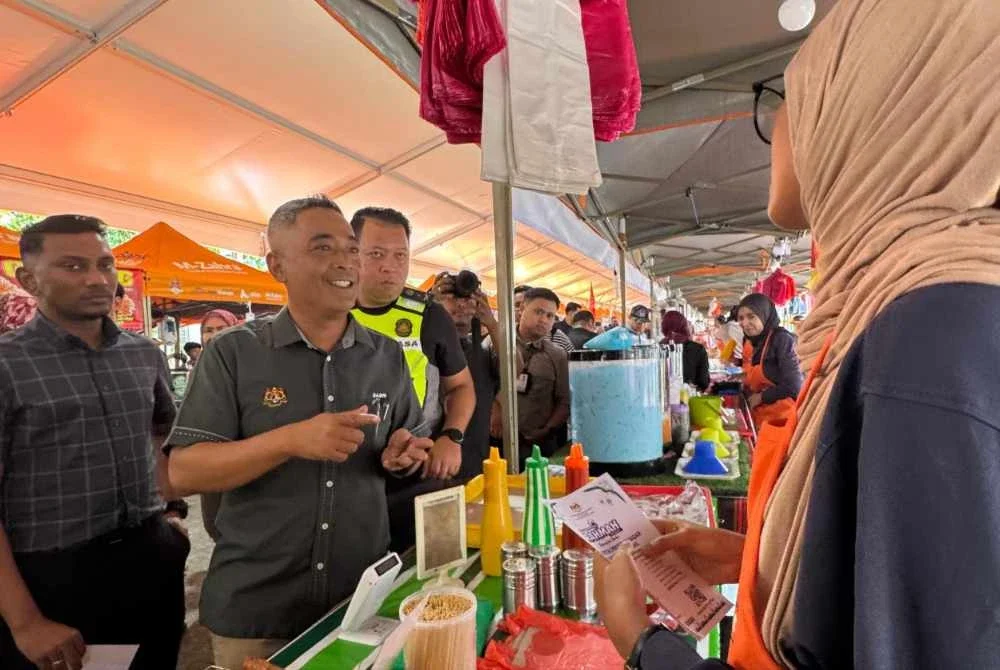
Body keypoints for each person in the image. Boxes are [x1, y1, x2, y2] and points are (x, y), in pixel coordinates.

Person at [595, 0, 1000, 667]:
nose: (782, 122)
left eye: (794, 91)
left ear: (883, 97)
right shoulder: (910, 310)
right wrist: (756, 561)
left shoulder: (931, 340)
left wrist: (643, 644)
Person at [164, 196, 434, 669]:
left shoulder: (386, 356)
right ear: (277, 265)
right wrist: (290, 440)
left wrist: (403, 456)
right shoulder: (233, 353)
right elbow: (184, 472)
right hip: (257, 611)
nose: (344, 262)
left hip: (358, 600)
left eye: (351, 249)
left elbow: (403, 447)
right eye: (322, 247)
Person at [0, 215, 188, 670]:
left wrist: (170, 515)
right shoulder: (7, 366)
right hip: (51, 576)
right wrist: (25, 622)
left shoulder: (143, 354)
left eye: (105, 264)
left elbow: (163, 432)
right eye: (73, 266)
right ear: (29, 279)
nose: (98, 279)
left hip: (149, 558)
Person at [350, 207, 475, 550]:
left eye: (400, 255)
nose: (390, 266)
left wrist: (452, 436)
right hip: (347, 475)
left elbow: (461, 386)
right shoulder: (330, 311)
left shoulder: (427, 314)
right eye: (376, 254)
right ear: (352, 252)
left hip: (418, 466)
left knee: (429, 566)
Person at [430, 272, 501, 481]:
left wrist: (492, 324)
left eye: (468, 300)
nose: (460, 306)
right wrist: (430, 309)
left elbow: (515, 368)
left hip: (474, 457)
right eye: (452, 298)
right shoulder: (422, 343)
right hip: (431, 455)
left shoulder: (483, 348)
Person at [195, 307, 240, 542]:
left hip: (244, 456)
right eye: (208, 330)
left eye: (221, 329)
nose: (213, 335)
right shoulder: (199, 367)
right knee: (214, 521)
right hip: (208, 456)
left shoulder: (246, 366)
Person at [515, 288, 570, 462]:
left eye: (550, 316)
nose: (544, 320)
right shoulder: (494, 345)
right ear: (522, 309)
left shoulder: (557, 355)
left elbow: (564, 400)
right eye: (539, 312)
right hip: (496, 441)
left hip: (540, 446)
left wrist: (546, 430)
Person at [737, 293, 801, 427]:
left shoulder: (781, 339)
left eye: (751, 316)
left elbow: (794, 386)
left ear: (764, 315)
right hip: (762, 417)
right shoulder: (756, 341)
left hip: (782, 420)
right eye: (741, 318)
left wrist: (761, 397)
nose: (744, 323)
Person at [513, 284, 573, 353]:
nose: (543, 320)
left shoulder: (559, 339)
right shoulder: (502, 339)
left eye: (549, 315)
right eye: (517, 305)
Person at [660, 310, 710, 392]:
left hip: (664, 399)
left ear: (664, 326)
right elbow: (704, 382)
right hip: (689, 399)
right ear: (684, 326)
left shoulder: (658, 348)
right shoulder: (698, 349)